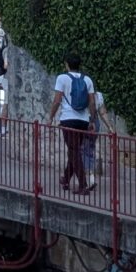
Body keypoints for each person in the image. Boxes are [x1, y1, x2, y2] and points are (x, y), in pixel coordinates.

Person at [49, 55, 97, 193]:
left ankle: (83, 185)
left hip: (68, 119)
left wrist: (50, 117)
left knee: (74, 151)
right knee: (74, 150)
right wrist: (92, 121)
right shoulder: (87, 80)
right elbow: (92, 102)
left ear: (67, 65)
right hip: (83, 120)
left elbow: (57, 100)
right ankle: (65, 179)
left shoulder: (62, 78)